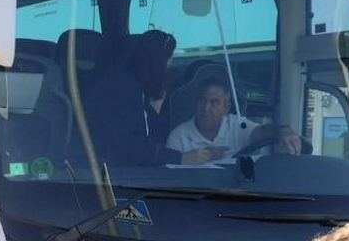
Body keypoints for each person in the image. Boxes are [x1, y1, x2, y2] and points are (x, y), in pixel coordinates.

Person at [79, 30, 179, 167]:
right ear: (158, 63)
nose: (168, 70)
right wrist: (181, 158)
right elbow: (134, 149)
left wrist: (154, 109)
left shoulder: (133, 89)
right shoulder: (120, 92)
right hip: (105, 174)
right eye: (168, 63)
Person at [166, 67, 302, 163]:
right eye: (202, 100)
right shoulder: (178, 137)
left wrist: (282, 131)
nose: (206, 108)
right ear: (195, 104)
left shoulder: (237, 126)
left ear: (226, 108)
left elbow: (259, 132)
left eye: (214, 102)